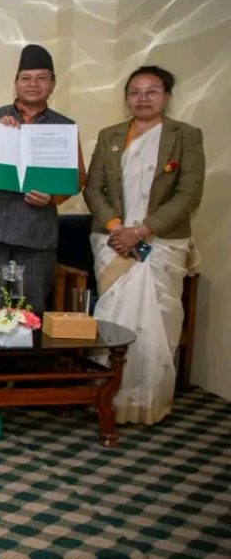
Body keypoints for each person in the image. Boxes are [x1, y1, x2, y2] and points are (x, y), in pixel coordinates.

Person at [84, 66, 204, 424]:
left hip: (161, 242)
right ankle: (108, 399)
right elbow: (93, 189)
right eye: (135, 92)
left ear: (166, 97)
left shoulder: (185, 136)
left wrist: (142, 231)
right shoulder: (110, 136)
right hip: (113, 240)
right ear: (126, 98)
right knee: (114, 315)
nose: (143, 98)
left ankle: (150, 402)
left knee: (157, 323)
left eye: (152, 91)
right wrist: (117, 228)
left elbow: (188, 194)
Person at [0, 44, 86, 313]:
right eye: (26, 78)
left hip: (36, 239)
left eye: (41, 78)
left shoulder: (64, 127)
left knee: (29, 316)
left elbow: (77, 180)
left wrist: (52, 198)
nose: (33, 84)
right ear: (15, 83)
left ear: (53, 84)